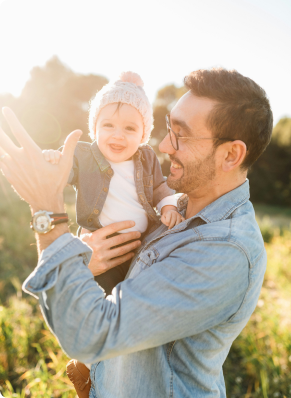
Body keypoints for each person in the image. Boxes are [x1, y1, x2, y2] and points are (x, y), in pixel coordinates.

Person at [0, 67, 273, 398]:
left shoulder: (225, 249)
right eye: (169, 128)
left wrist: (46, 210)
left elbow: (94, 333)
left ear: (231, 154)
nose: (165, 145)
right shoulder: (179, 208)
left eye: (181, 135)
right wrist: (84, 263)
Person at [41, 71, 184, 395]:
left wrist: (168, 206)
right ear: (95, 129)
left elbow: (161, 188)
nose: (117, 136)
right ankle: (86, 369)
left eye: (130, 128)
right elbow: (64, 169)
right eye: (108, 126)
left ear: (144, 134)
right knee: (94, 308)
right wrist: (53, 160)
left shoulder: (146, 158)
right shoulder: (86, 155)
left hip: (138, 253)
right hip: (101, 249)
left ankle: (113, 373)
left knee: (126, 314)